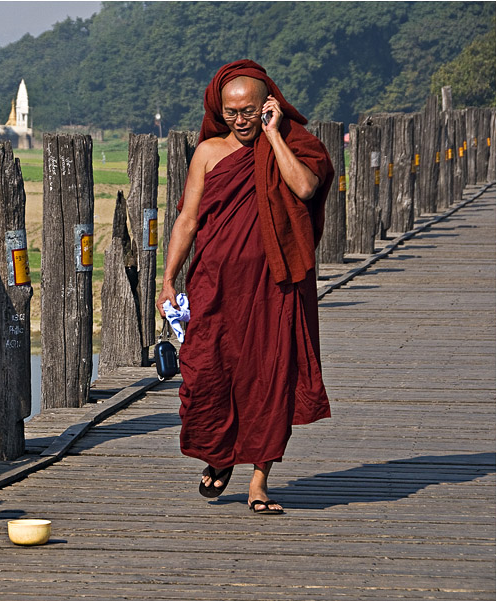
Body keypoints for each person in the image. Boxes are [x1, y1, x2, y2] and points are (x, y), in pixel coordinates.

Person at [156, 60, 333, 515]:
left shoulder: (295, 145)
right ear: (219, 111)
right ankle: (220, 454)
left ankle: (259, 480)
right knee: (206, 371)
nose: (240, 120)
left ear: (268, 105)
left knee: (270, 377)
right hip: (216, 285)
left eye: (249, 111)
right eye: (231, 112)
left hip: (276, 286)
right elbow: (188, 219)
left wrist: (274, 136)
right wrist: (168, 279)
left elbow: (306, 187)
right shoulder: (210, 153)